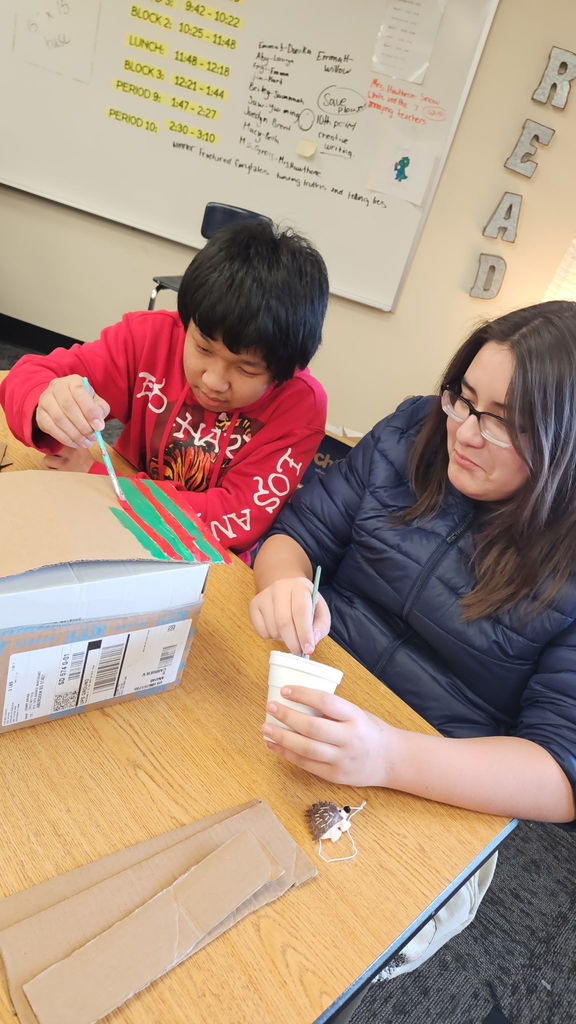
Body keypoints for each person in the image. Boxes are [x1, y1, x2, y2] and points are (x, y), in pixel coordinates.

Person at [250, 299, 576, 982]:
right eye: (463, 397)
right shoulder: (412, 430)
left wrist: (387, 755)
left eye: (503, 421)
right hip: (309, 702)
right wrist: (283, 584)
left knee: (287, 958)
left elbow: (558, 771)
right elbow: (296, 537)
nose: (465, 430)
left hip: (431, 779)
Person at [0, 220, 328, 560]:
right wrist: (47, 404)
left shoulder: (300, 405)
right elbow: (28, 376)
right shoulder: (150, 338)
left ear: (284, 370)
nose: (213, 380)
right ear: (187, 321)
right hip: (106, 524)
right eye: (202, 348)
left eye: (246, 368)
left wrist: (101, 483)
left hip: (206, 561)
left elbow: (234, 518)